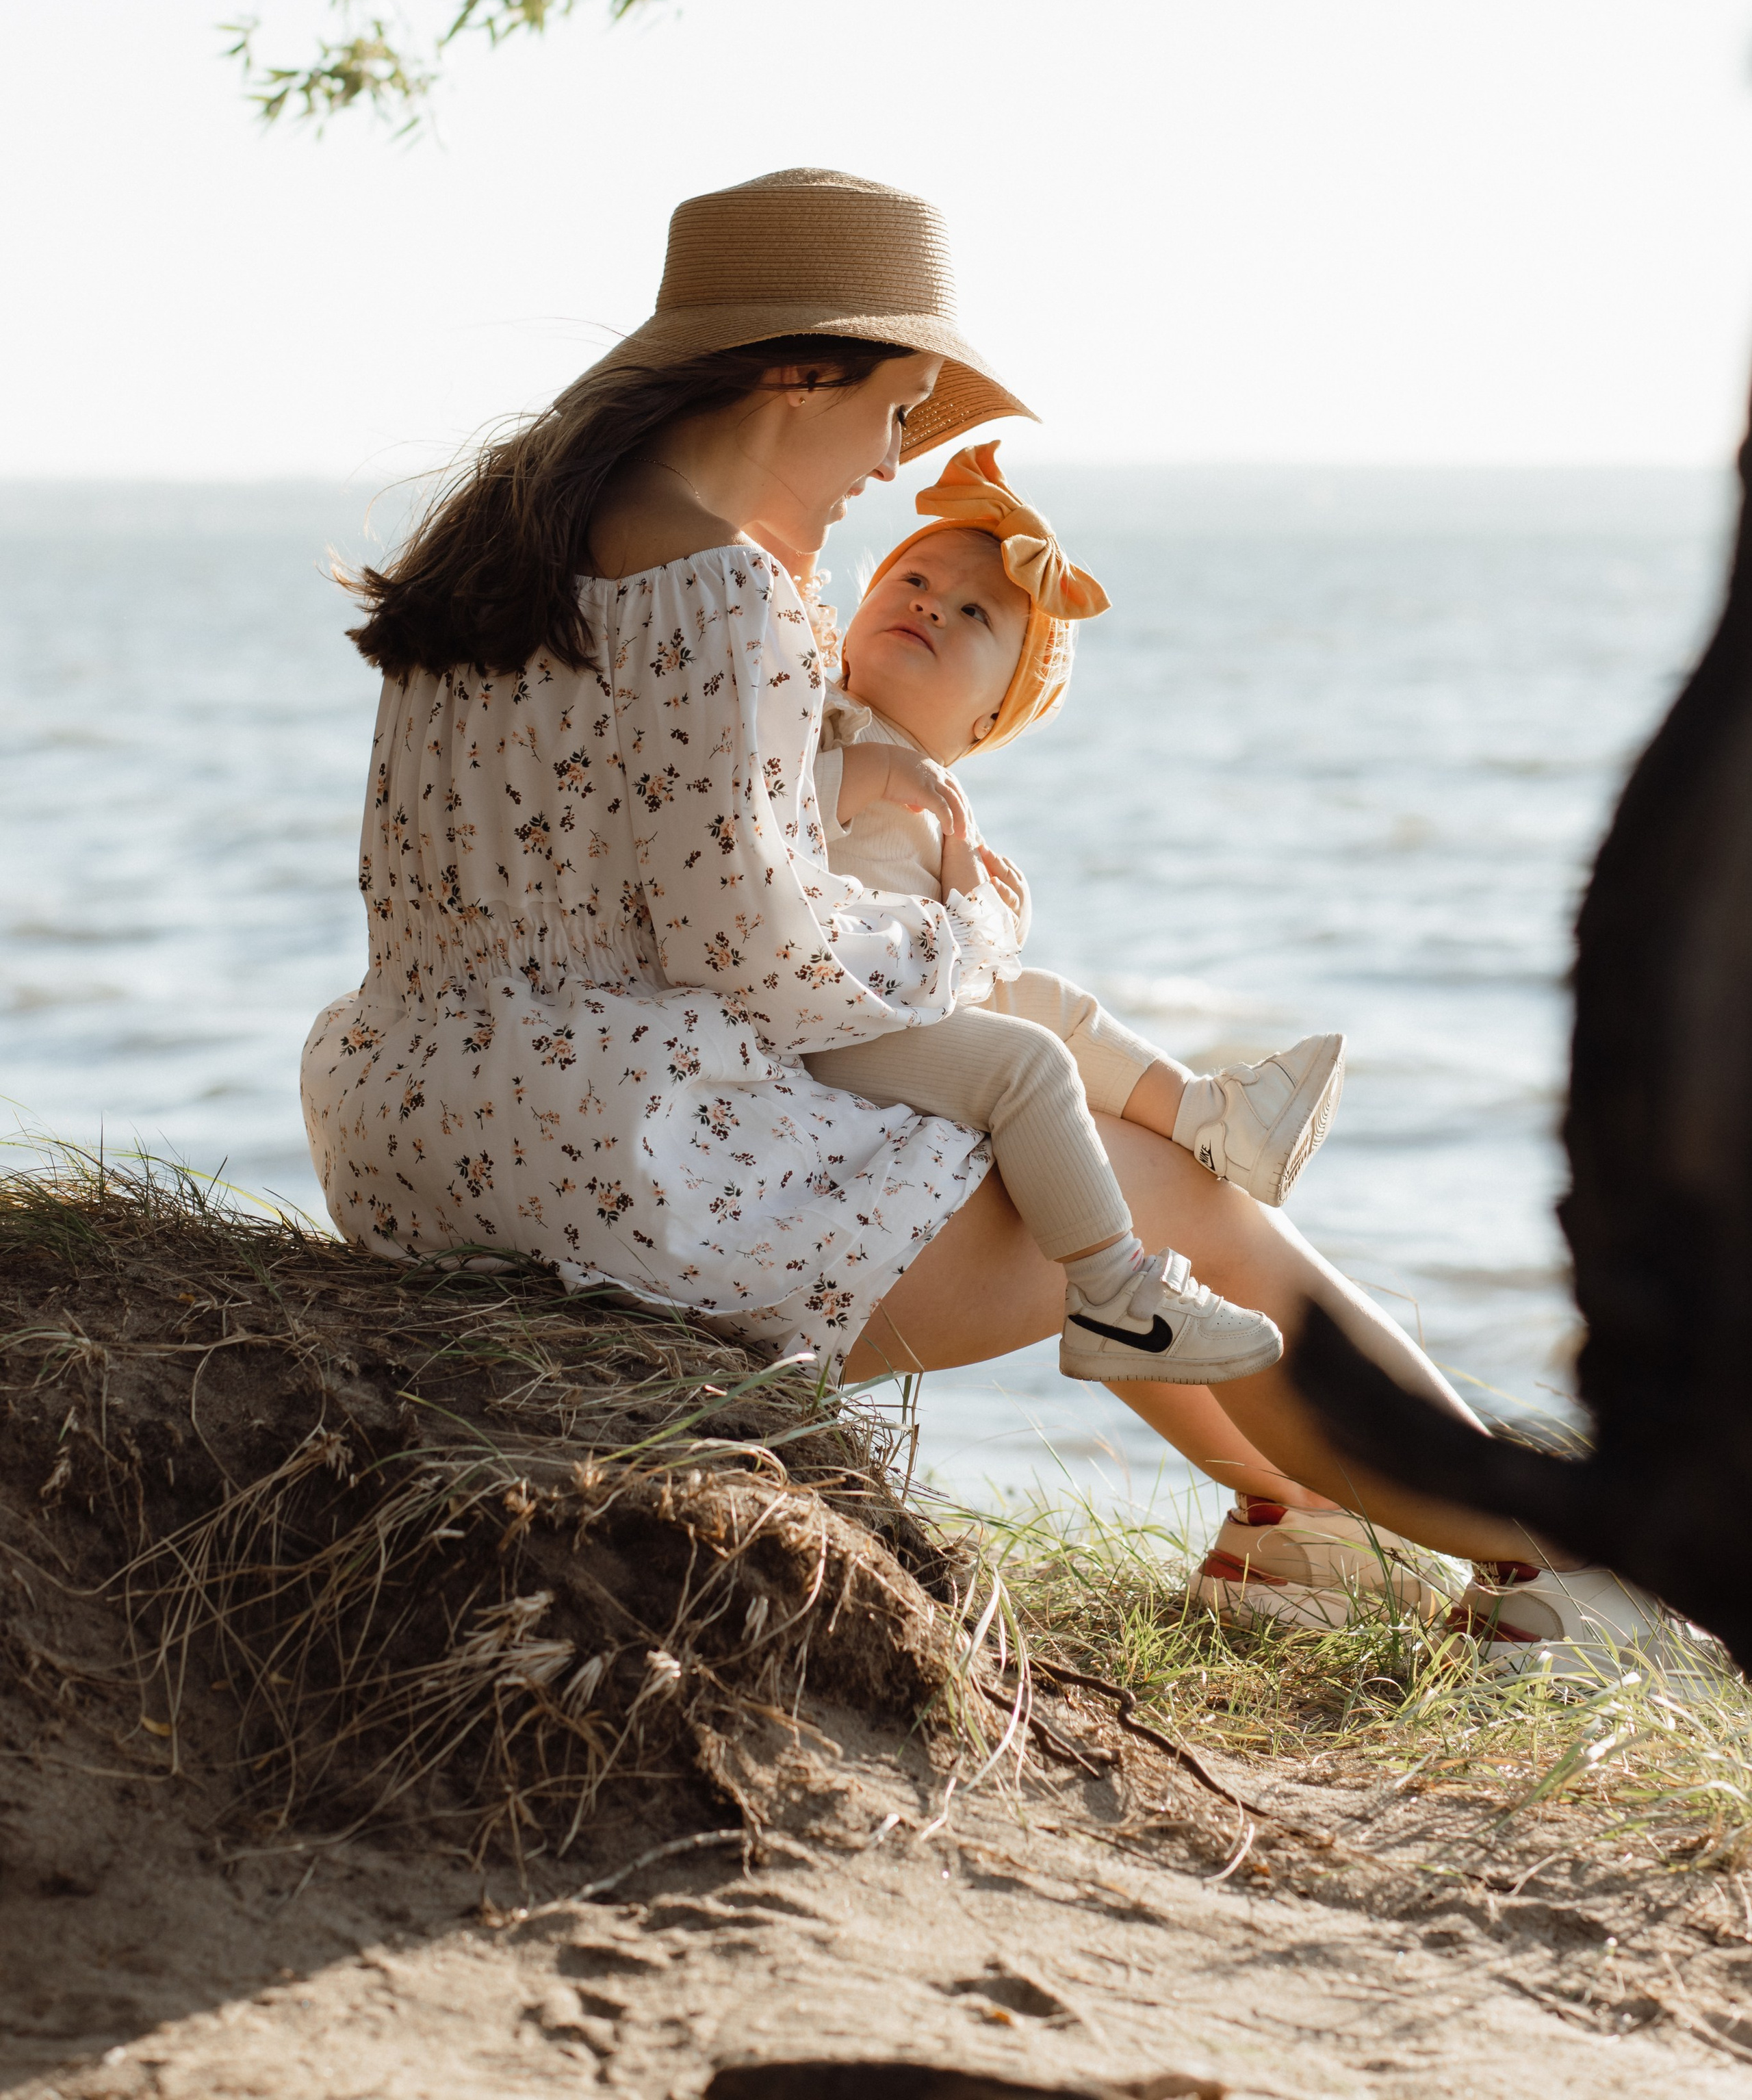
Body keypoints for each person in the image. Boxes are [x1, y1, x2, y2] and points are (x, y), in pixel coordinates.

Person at [302, 164, 1673, 1676]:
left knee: (1103, 1186)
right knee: (1178, 1198)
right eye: (897, 414)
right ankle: (1549, 1563)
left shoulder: (493, 552)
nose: (890, 468)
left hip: (419, 1133)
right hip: (622, 1172)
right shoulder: (719, 590)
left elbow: (601, 904)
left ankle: (1298, 1526)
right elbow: (765, 967)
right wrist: (972, 924)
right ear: (798, 371)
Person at [801, 439, 1343, 1390]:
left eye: (972, 613)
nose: (930, 600)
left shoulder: (940, 800)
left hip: (882, 1002)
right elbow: (749, 811)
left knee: (1047, 1000)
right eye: (915, 577)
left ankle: (1210, 1115)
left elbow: (965, 959)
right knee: (1029, 1063)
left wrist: (975, 884)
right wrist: (865, 774)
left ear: (988, 721)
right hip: (815, 1019)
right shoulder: (819, 717)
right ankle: (1112, 1292)